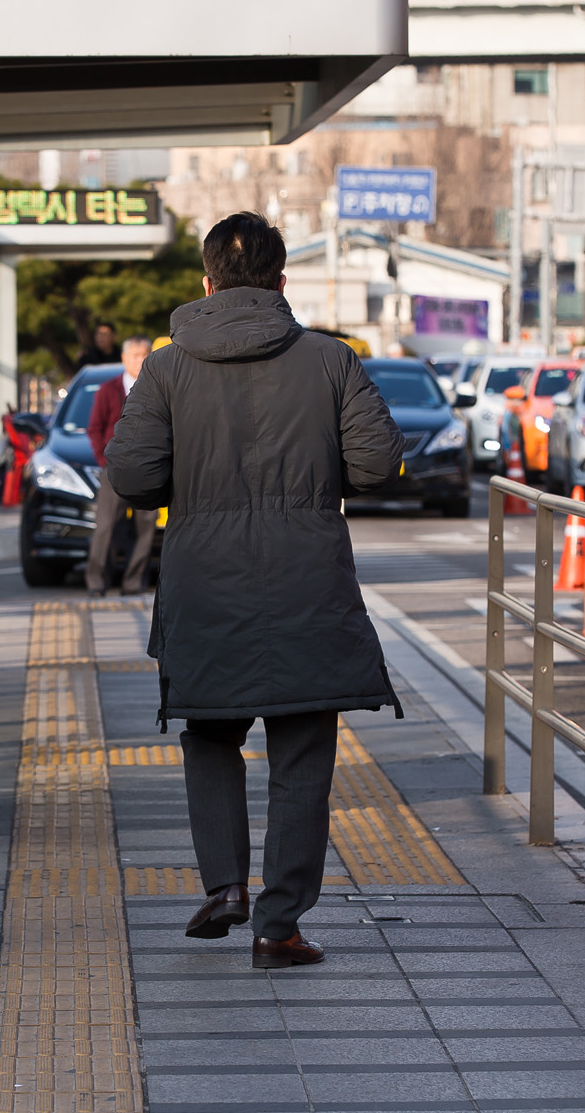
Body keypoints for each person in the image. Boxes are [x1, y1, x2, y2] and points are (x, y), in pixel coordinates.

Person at [108, 211, 405, 970]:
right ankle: (280, 928)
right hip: (309, 582)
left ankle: (224, 887)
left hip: (205, 583)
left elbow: (134, 478)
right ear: (281, 282)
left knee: (210, 735)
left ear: (205, 284)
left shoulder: (168, 370)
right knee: (303, 755)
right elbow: (374, 466)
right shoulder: (332, 361)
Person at [85, 336, 157, 595]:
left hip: (148, 468)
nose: (140, 360)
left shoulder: (157, 387)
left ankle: (134, 581)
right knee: (105, 526)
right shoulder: (108, 390)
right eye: (135, 355)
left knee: (146, 527)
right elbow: (94, 429)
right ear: (124, 358)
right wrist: (104, 458)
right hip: (113, 467)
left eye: (145, 355)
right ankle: (97, 581)